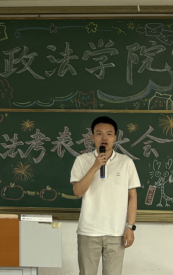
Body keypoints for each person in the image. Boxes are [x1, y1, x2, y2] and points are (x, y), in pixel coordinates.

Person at [70, 116, 140, 275]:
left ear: (115, 137)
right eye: (99, 133)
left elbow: (132, 196)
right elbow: (78, 192)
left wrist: (130, 227)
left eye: (109, 134)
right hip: (88, 231)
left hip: (116, 232)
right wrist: (94, 167)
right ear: (92, 137)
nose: (104, 138)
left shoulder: (126, 162)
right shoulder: (82, 160)